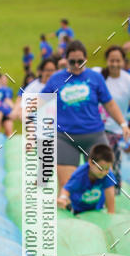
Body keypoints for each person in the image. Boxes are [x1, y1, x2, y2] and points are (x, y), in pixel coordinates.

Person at [41, 40, 130, 190]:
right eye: (72, 61)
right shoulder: (56, 79)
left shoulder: (95, 78)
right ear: (66, 60)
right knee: (67, 187)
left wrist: (123, 124)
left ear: (86, 60)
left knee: (103, 182)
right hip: (65, 138)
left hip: (94, 135)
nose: (76, 65)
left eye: (80, 61)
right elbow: (40, 102)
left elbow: (109, 103)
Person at [93, 46, 130, 194]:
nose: (114, 64)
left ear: (123, 62)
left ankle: (113, 194)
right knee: (96, 163)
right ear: (107, 61)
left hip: (117, 130)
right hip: (97, 128)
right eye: (111, 60)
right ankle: (95, 192)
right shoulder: (98, 75)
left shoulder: (127, 80)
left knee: (114, 164)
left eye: (118, 60)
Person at [57, 143, 116, 214]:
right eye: (100, 168)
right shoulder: (79, 175)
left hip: (96, 209)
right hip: (77, 209)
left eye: (107, 168)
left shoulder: (108, 174)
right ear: (91, 163)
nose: (104, 172)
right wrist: (63, 198)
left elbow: (110, 197)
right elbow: (66, 189)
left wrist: (111, 213)